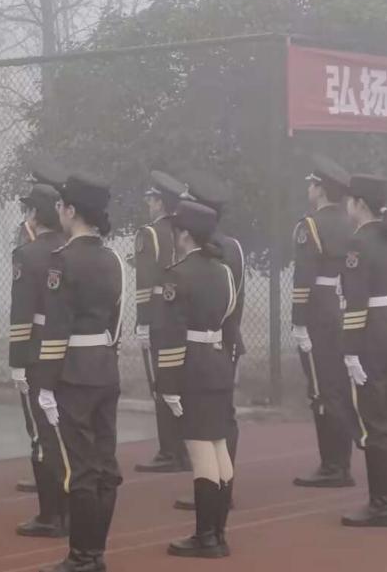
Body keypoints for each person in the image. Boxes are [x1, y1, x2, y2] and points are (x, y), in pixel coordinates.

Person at [36, 172, 125, 572]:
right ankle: (96, 553)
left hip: (72, 372)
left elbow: (56, 327)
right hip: (104, 366)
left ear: (72, 211)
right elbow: (116, 321)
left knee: (80, 468)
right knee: (105, 465)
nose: (59, 211)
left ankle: (81, 556)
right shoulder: (113, 259)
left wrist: (45, 384)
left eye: (61, 205)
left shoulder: (62, 260)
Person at [155, 201, 237, 558]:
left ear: (185, 234)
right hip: (217, 362)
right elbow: (228, 319)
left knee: (201, 448)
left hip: (192, 366)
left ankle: (205, 537)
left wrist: (168, 384)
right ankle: (218, 533)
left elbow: (171, 333)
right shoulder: (223, 272)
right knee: (218, 446)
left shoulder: (177, 274)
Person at [172, 172, 246, 513]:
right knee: (220, 423)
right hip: (224, 343)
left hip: (208, 346)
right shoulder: (231, 248)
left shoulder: (206, 254)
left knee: (209, 429)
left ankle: (214, 499)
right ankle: (220, 495)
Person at [339, 173, 387, 528]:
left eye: (350, 199)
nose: (347, 205)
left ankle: (381, 506)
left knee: (375, 423)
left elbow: (356, 301)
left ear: (360, 203)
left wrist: (350, 350)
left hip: (368, 336)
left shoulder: (359, 242)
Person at [291, 156, 358, 489]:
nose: (309, 189)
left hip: (319, 313)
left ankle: (333, 465)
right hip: (345, 310)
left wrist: (298, 322)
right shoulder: (352, 224)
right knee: (340, 387)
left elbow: (304, 277)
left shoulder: (311, 226)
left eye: (312, 184)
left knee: (320, 389)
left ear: (320, 189)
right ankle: (340, 461)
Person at [10, 183, 69, 538]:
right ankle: (69, 509)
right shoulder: (71, 248)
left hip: (36, 352)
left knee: (41, 433)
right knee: (66, 430)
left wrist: (17, 361)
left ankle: (51, 515)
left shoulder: (27, 255)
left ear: (34, 214)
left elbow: (22, 313)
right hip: (70, 350)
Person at [134, 171, 191, 474]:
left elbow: (145, 280)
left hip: (158, 315)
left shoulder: (150, 234)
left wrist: (143, 322)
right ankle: (185, 448)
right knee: (181, 381)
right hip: (183, 314)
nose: (148, 204)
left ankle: (169, 451)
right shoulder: (185, 231)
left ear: (159, 203)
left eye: (151, 199)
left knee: (161, 383)